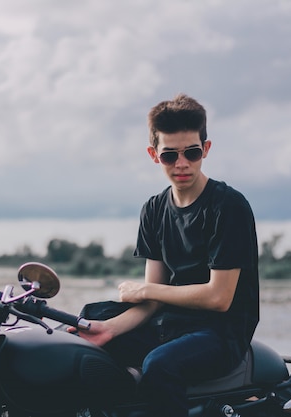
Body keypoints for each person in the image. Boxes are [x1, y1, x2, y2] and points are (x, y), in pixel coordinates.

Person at [76, 94, 259, 417]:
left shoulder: (227, 206)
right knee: (85, 331)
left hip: (221, 333)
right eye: (169, 156)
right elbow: (154, 301)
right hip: (171, 323)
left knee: (160, 364)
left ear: (206, 149)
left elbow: (219, 298)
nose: (182, 163)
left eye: (191, 152)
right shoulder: (154, 209)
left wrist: (145, 289)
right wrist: (109, 329)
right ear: (153, 155)